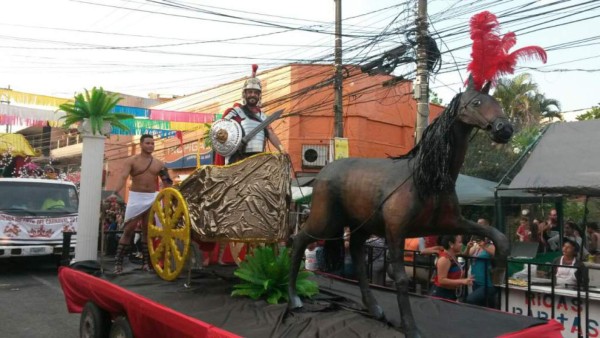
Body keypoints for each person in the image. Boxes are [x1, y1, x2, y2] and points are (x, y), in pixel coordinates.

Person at [107, 134, 173, 274]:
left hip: (152, 197)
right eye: (148, 143)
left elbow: (167, 181)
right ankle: (118, 263)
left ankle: (146, 263)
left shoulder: (159, 164)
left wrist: (172, 195)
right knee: (129, 230)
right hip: (136, 197)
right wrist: (115, 192)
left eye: (152, 143)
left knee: (147, 231)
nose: (151, 146)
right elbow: (123, 177)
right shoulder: (132, 161)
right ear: (141, 144)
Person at [214, 64, 285, 165]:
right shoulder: (235, 113)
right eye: (250, 92)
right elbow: (221, 133)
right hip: (238, 160)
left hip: (258, 161)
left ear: (259, 96)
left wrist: (282, 149)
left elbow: (270, 133)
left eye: (256, 93)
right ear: (245, 94)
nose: (253, 95)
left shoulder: (263, 117)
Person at [430, 235, 473, 301]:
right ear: (451, 244)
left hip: (450, 293)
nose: (461, 244)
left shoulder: (453, 255)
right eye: (460, 242)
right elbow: (441, 280)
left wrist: (468, 247)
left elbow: (464, 254)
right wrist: (462, 281)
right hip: (441, 295)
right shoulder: (444, 259)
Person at [465, 219, 497, 307]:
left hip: (486, 283)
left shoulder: (491, 244)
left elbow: (495, 253)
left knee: (470, 299)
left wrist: (484, 246)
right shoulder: (476, 245)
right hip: (475, 281)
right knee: (479, 306)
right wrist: (468, 247)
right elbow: (466, 255)